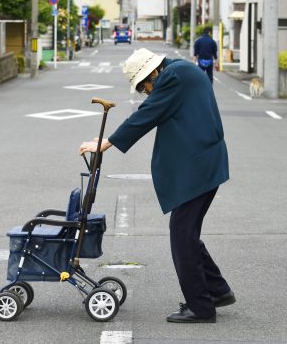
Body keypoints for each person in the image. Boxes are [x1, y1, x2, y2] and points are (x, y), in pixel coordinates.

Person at [79, 48, 235, 323]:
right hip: (204, 165)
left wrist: (105, 143)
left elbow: (146, 115)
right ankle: (217, 291)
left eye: (143, 86)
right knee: (188, 234)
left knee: (182, 237)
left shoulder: (173, 77)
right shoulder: (181, 72)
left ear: (152, 72)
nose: (145, 92)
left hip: (198, 169)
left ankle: (201, 307)